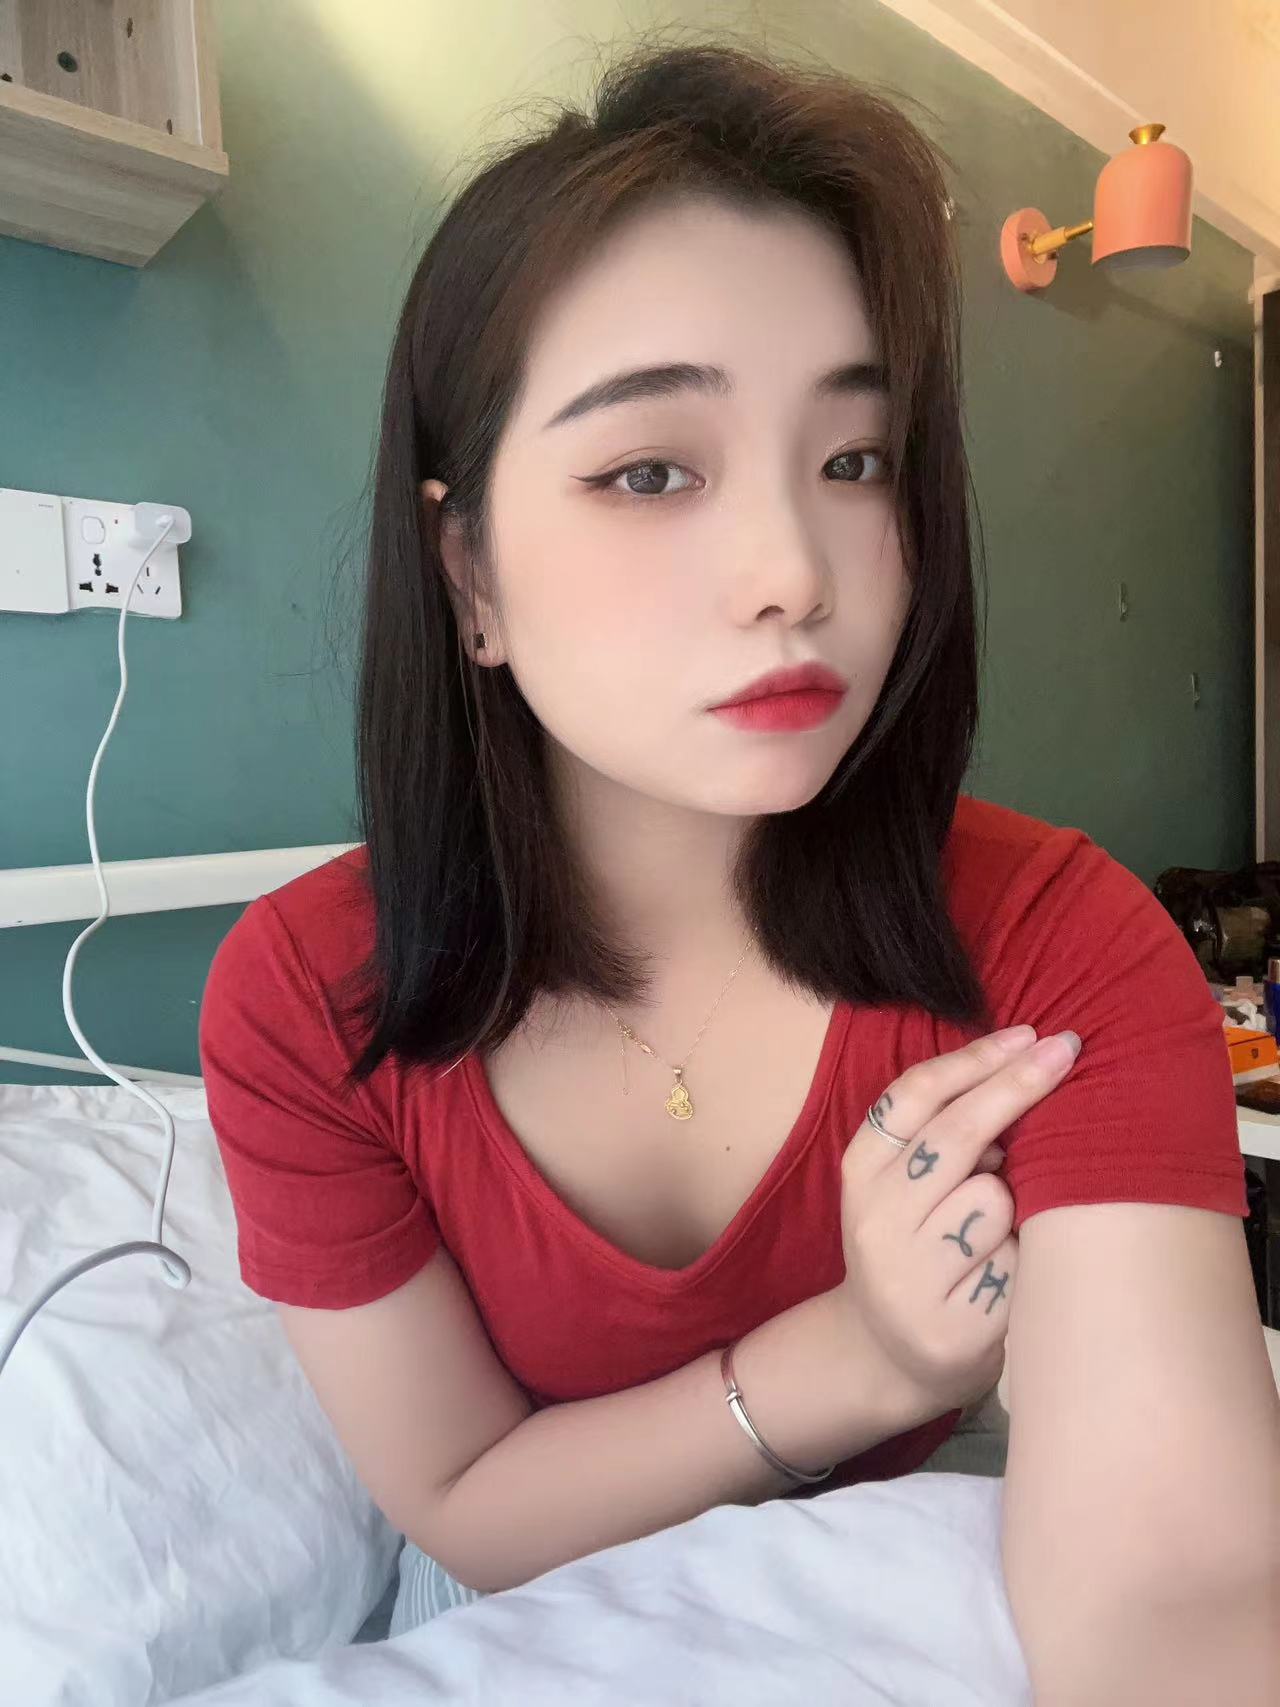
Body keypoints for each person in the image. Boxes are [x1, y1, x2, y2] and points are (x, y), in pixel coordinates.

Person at [198, 35, 1278, 1701]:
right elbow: (469, 1505)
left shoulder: (1061, 945)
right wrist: (859, 1356)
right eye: (651, 470)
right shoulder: (303, 1001)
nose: (795, 570)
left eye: (855, 461)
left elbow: (1185, 1590)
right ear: (467, 572)